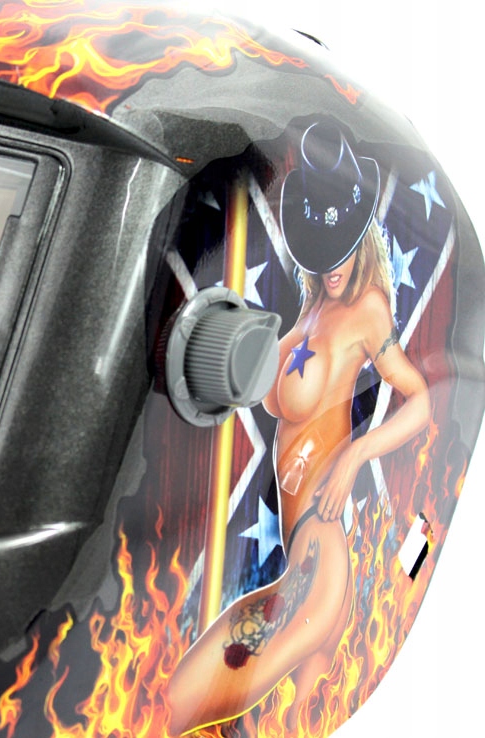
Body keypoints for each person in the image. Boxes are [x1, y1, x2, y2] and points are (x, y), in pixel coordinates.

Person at [166, 122, 429, 735]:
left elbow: (420, 401)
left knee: (179, 702)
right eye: (319, 247)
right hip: (302, 564)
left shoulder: (368, 310)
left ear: (362, 236)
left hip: (317, 561)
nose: (332, 264)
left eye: (342, 246)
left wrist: (355, 456)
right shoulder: (312, 309)